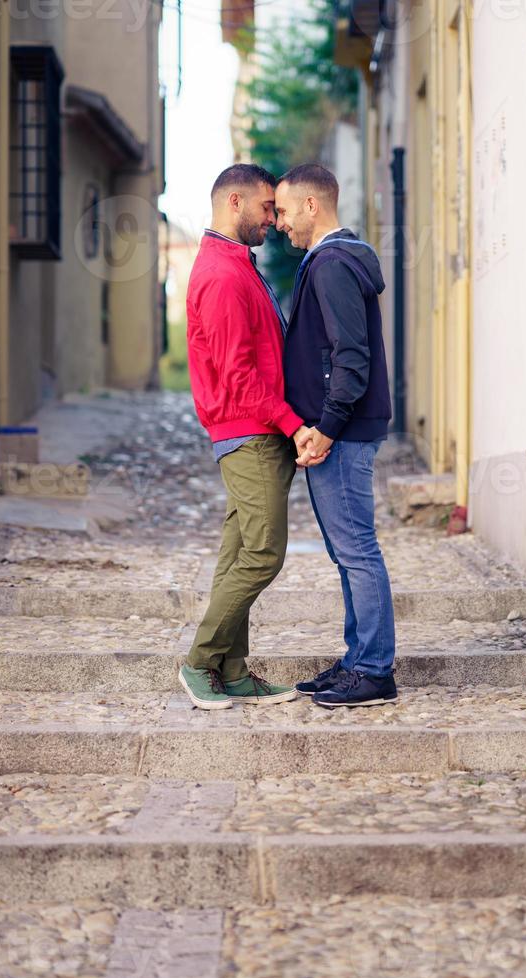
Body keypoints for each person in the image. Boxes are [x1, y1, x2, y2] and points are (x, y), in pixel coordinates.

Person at [179, 163, 326, 710]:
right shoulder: (220, 274)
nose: (274, 218)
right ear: (233, 201)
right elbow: (239, 375)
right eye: (267, 207)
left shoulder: (239, 264)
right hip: (250, 434)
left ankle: (234, 672)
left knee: (238, 552)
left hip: (258, 431)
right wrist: (293, 425)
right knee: (263, 553)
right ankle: (199, 661)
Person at [275, 163, 397, 708]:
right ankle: (357, 661)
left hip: (342, 433)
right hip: (340, 431)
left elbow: (351, 356)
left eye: (281, 210)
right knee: (348, 552)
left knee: (357, 550)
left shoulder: (330, 264)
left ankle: (374, 670)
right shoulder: (332, 261)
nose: (278, 222)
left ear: (311, 206)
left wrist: (325, 428)